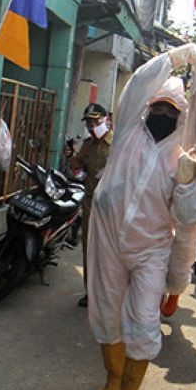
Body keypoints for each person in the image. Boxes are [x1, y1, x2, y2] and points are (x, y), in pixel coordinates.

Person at [87, 43, 196, 390]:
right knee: (106, 314)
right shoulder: (126, 130)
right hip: (107, 237)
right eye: (156, 106)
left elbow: (190, 218)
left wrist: (189, 183)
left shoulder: (182, 155)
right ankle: (112, 378)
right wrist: (177, 57)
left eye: (170, 110)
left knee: (142, 321)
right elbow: (140, 82)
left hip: (150, 249)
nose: (160, 114)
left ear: (181, 115)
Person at [67, 102, 113, 307]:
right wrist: (73, 156)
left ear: (105, 120)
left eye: (95, 121)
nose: (91, 126)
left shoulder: (118, 143)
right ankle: (90, 292)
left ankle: (109, 293)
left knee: (109, 252)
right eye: (88, 123)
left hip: (112, 208)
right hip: (90, 204)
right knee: (89, 249)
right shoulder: (88, 144)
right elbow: (75, 164)